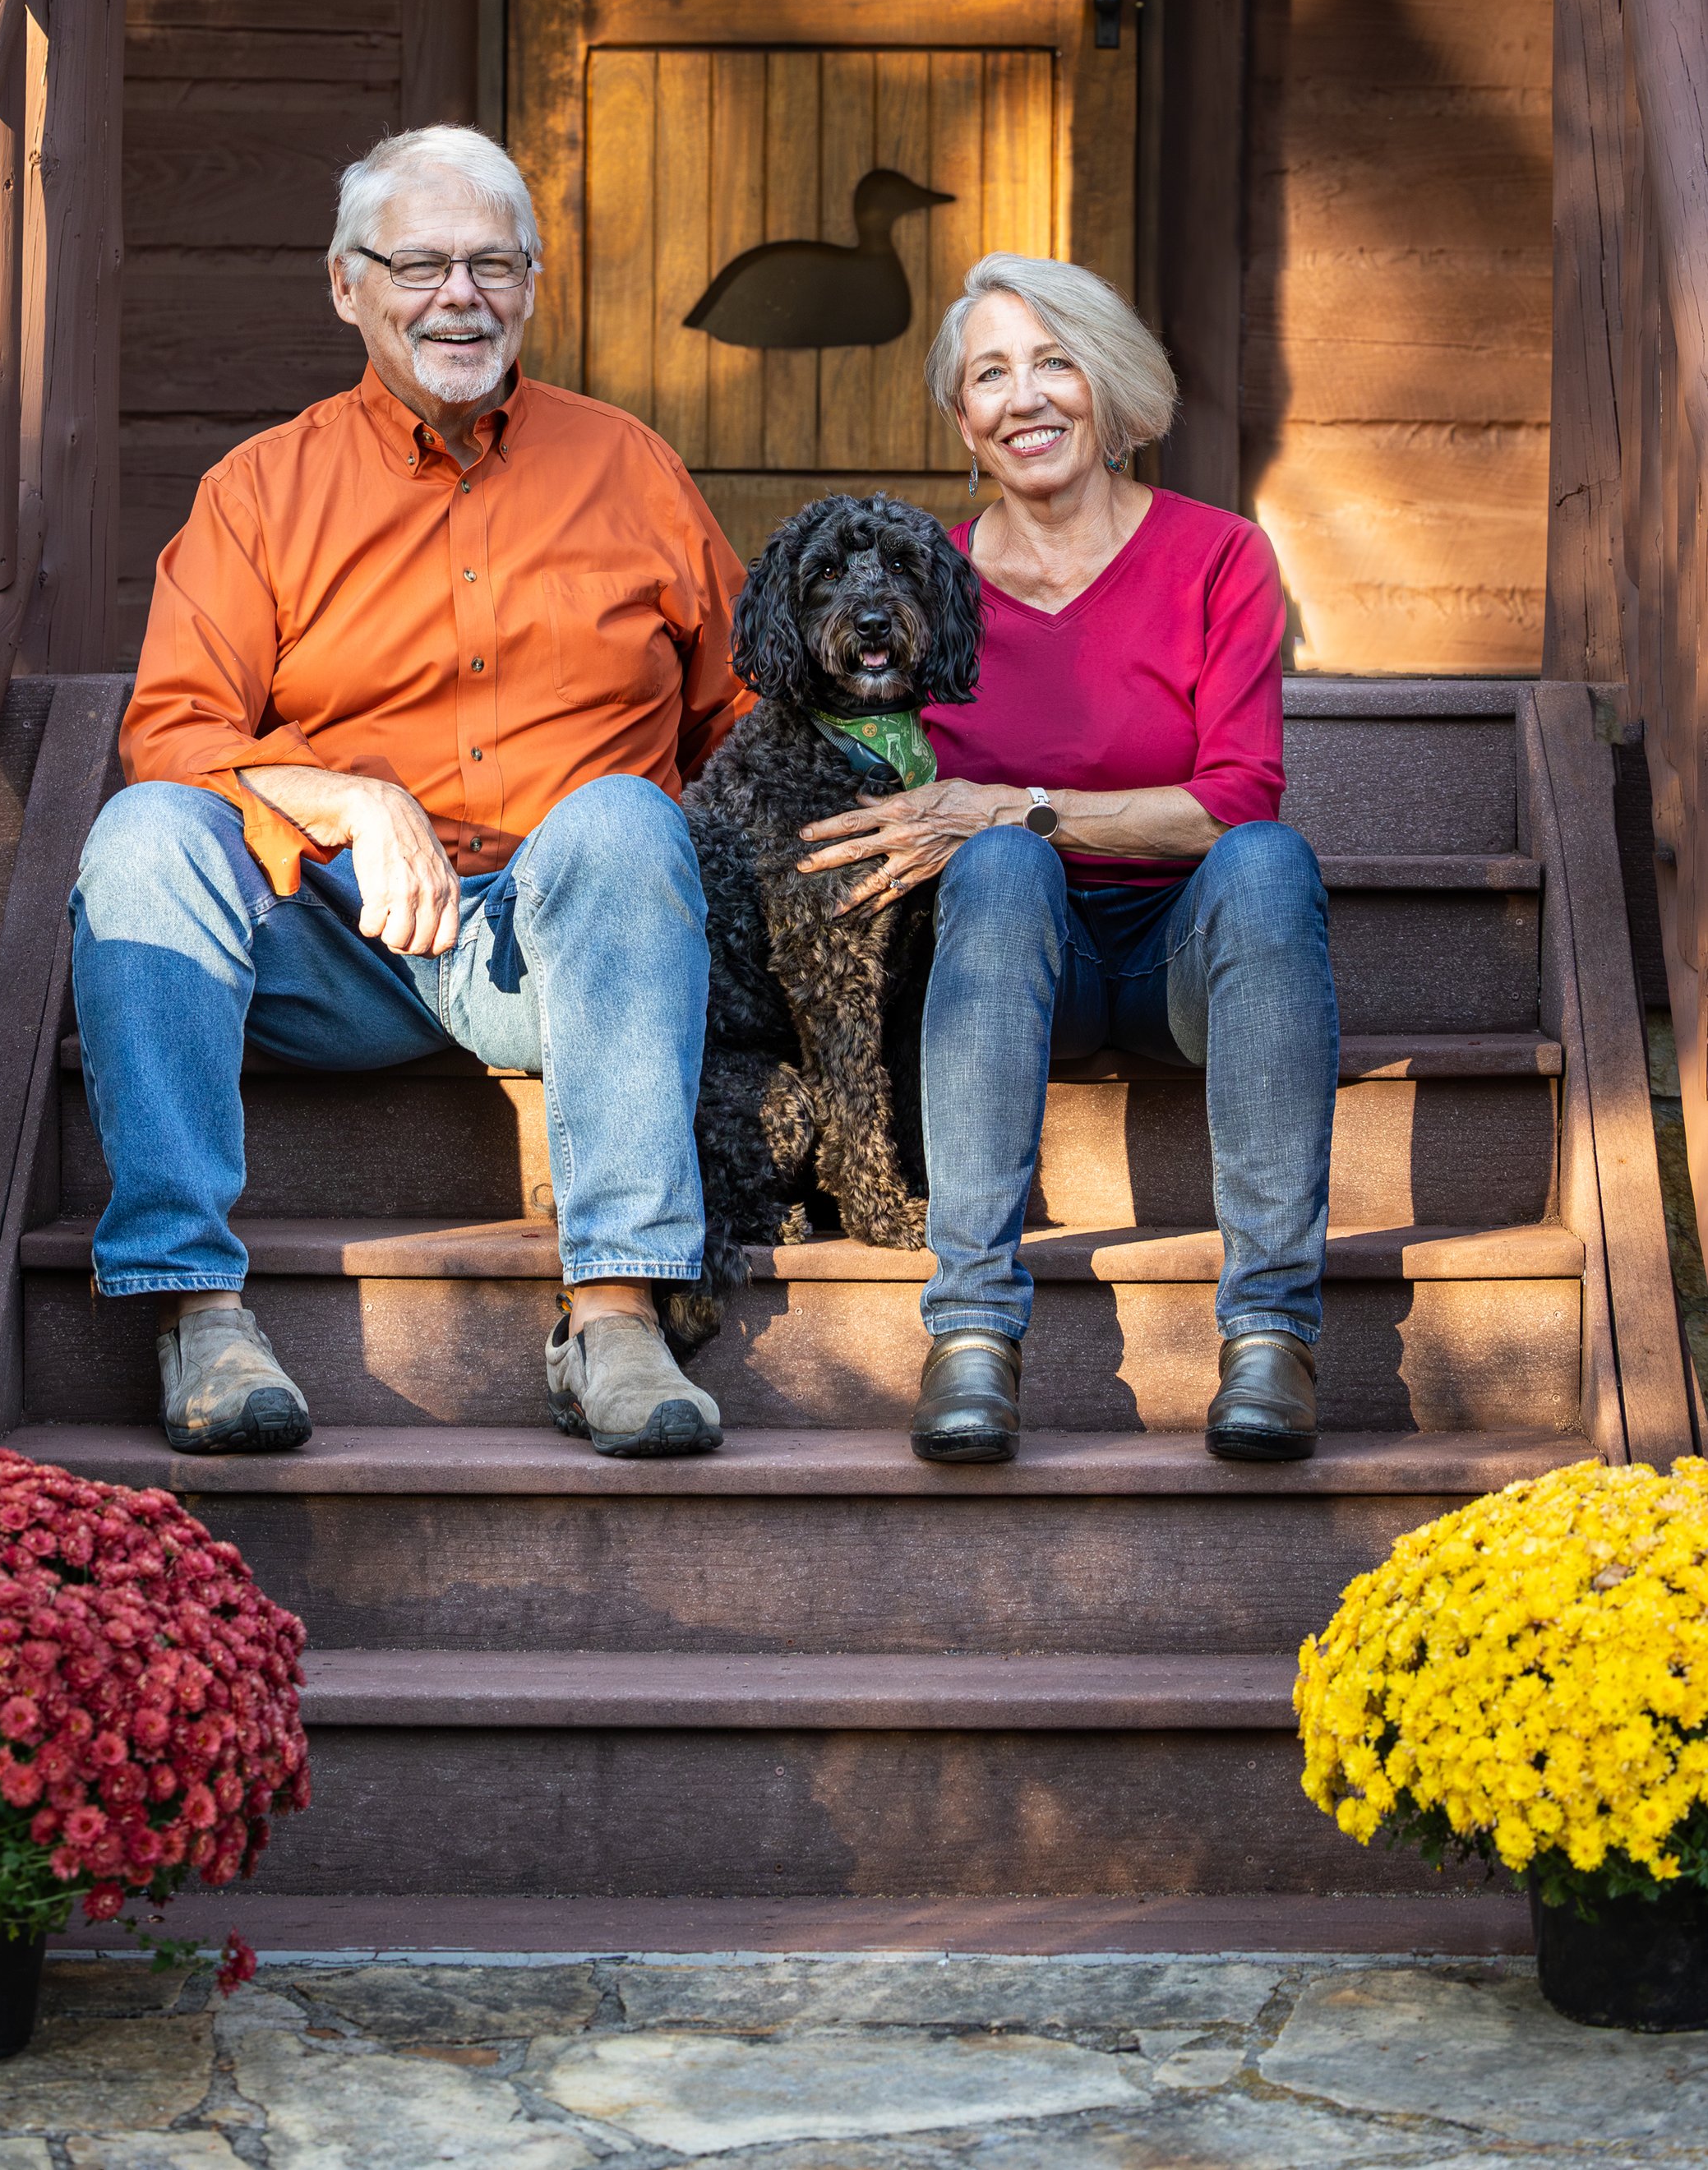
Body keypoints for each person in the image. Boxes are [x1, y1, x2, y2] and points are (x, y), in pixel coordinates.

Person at [70, 126, 748, 1461]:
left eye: (493, 264)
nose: (460, 295)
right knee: (146, 834)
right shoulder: (260, 490)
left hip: (565, 948)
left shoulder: (632, 468)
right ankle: (199, 1313)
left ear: (534, 283)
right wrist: (346, 798)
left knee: (626, 814)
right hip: (330, 938)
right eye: (423, 263)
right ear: (346, 284)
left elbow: (741, 717)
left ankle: (616, 1314)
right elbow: (171, 731)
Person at [796, 255, 1336, 1466]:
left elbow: (1232, 797)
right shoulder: (916, 582)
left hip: (1187, 956)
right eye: (992, 374)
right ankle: (973, 1334)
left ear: (1112, 385)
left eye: (1055, 361)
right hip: (1004, 960)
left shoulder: (1220, 557)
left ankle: (1269, 1334)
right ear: (961, 420)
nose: (1026, 397)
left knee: (1266, 862)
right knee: (992, 869)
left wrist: (1014, 803)